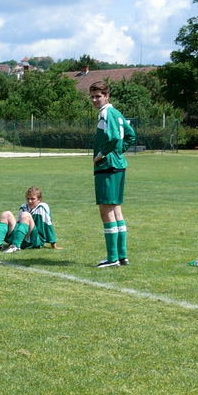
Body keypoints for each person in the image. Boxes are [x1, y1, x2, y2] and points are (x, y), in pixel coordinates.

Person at [89, 79, 136, 268]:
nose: (94, 100)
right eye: (92, 97)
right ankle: (122, 256)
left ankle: (113, 258)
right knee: (116, 210)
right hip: (118, 166)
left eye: (98, 96)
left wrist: (101, 154)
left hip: (107, 167)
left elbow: (115, 137)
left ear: (107, 96)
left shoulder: (106, 113)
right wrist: (118, 152)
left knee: (106, 211)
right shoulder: (117, 113)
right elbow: (131, 135)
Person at [0, 187, 61, 253]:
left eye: (32, 199)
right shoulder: (24, 207)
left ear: (39, 199)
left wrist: (53, 245)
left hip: (35, 240)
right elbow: (19, 225)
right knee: (6, 214)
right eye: (28, 199)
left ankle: (15, 246)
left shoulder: (42, 207)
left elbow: (48, 225)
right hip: (24, 238)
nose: (29, 201)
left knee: (25, 215)